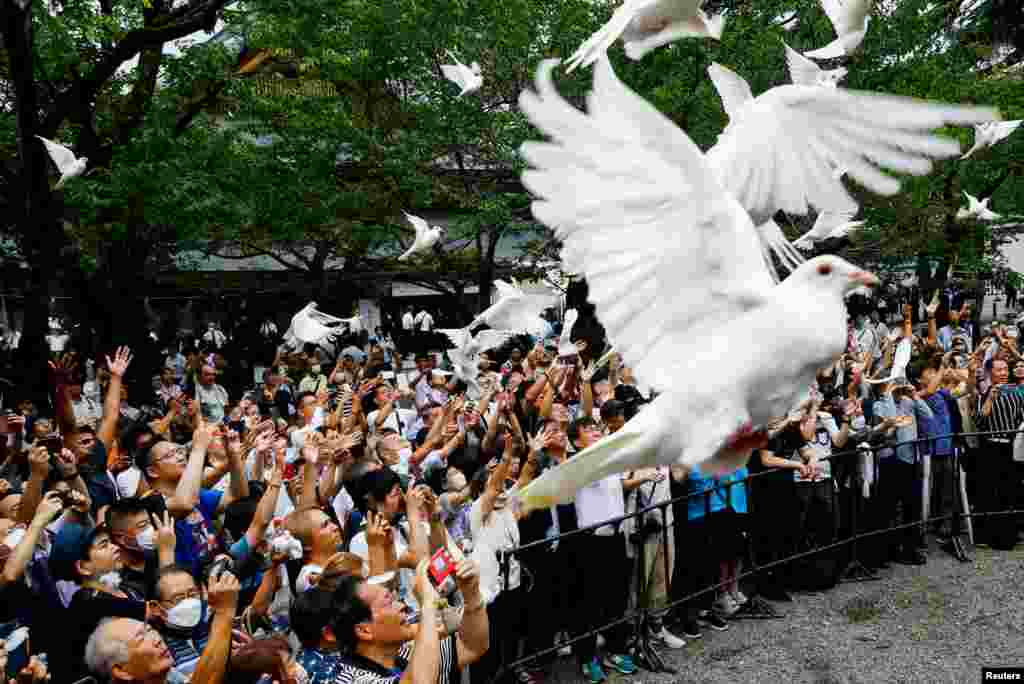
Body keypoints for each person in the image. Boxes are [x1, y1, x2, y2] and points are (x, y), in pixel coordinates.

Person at [330, 557, 489, 684]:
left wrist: (472, 593)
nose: (401, 606)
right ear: (365, 630)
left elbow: (471, 646)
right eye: (389, 603)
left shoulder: (401, 654)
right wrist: (427, 602)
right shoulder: (353, 679)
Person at [83, 572, 240, 684]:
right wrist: (224, 613)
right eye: (141, 637)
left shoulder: (168, 676)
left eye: (150, 631)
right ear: (121, 671)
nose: (157, 639)